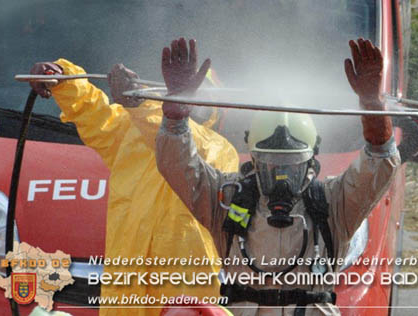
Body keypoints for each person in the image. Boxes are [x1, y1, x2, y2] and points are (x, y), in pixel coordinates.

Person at [155, 38, 401, 315]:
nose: (282, 176)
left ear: (311, 162)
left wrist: (372, 103)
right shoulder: (228, 200)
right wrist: (175, 110)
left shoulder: (333, 204)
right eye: (271, 165)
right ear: (254, 160)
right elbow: (176, 165)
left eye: (291, 165)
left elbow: (380, 160)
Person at [29, 57, 239, 316]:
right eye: (180, 93)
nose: (188, 101)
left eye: (193, 94)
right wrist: (62, 79)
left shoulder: (219, 149)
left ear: (214, 111)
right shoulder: (132, 133)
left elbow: (183, 143)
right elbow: (94, 113)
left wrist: (146, 106)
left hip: (183, 299)